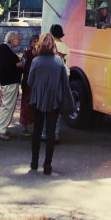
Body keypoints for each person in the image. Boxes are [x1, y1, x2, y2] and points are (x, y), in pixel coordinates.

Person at [28, 32, 74, 175]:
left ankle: (34, 162)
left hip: (38, 100)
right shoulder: (59, 61)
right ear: (54, 45)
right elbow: (65, 83)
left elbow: (30, 81)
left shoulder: (36, 61)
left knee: (37, 131)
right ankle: (48, 164)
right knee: (50, 133)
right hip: (54, 100)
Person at [43, 25, 70, 143]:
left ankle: (44, 133)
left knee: (46, 106)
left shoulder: (48, 46)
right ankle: (55, 134)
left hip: (49, 78)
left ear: (52, 33)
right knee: (57, 107)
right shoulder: (65, 47)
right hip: (63, 77)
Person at [0, 31, 22, 140]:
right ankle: (0, 129)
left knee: (10, 105)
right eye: (17, 39)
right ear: (11, 39)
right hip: (9, 81)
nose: (19, 41)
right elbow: (4, 66)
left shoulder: (5, 49)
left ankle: (4, 128)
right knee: (7, 105)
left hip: (10, 81)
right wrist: (17, 64)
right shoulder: (3, 49)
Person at [20, 34, 39, 136]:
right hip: (27, 82)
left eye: (38, 41)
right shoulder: (26, 54)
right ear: (31, 43)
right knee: (26, 104)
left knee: (37, 105)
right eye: (34, 41)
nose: (36, 43)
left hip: (38, 84)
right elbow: (23, 67)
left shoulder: (42, 54)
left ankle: (37, 127)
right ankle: (25, 127)